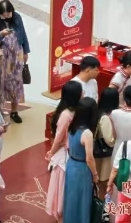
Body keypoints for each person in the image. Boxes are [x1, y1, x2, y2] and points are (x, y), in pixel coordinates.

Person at [0, 0, 30, 123]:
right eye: (4, 15)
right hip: (0, 56)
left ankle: (14, 111)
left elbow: (23, 34)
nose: (7, 17)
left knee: (16, 82)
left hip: (16, 55)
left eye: (8, 14)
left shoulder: (17, 17)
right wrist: (0, 34)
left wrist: (26, 51)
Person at [44, 80, 83, 221]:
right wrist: (52, 152)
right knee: (63, 188)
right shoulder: (68, 114)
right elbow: (59, 138)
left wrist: (51, 152)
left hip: (70, 154)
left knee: (64, 188)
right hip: (66, 156)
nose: (83, 93)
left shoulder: (71, 112)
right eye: (81, 92)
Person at [62, 97, 99, 223]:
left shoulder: (72, 126)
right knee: (82, 200)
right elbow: (89, 158)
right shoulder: (87, 133)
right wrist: (95, 175)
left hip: (71, 164)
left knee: (71, 198)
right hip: (82, 169)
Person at [95, 87, 118, 199]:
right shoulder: (105, 118)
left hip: (98, 155)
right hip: (104, 158)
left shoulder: (97, 112)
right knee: (104, 185)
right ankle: (101, 207)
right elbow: (110, 141)